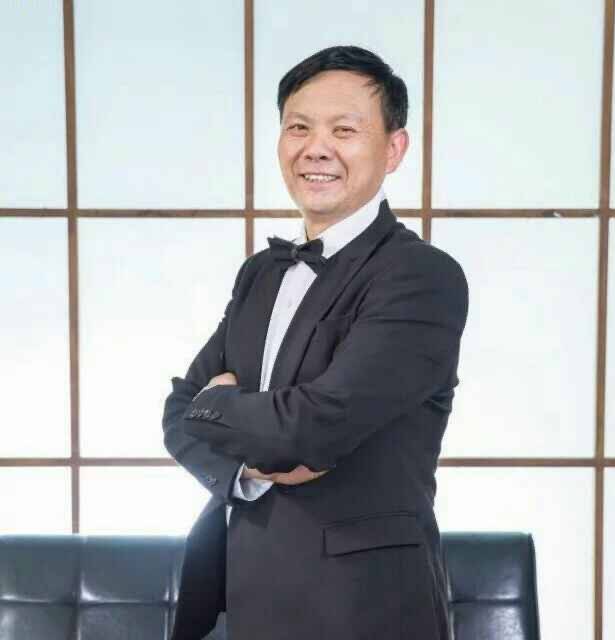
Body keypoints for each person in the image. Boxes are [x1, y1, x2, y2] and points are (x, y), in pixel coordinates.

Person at [162, 45, 468, 640]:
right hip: (241, 596)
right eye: (298, 128)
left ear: (394, 149)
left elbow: (314, 427)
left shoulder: (421, 276)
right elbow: (178, 414)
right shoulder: (260, 273)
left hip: (365, 609)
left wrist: (217, 405)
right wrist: (251, 463)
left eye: (344, 130)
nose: (316, 148)